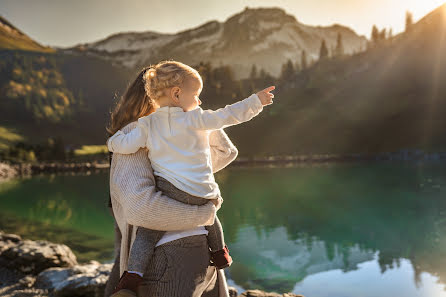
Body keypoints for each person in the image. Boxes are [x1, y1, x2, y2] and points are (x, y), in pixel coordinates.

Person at [107, 60, 275, 296]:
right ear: (173, 94)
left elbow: (141, 212)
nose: (198, 101)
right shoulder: (174, 127)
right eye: (195, 95)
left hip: (169, 258)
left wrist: (191, 122)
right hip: (202, 251)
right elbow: (226, 151)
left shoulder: (139, 132)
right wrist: (204, 213)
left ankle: (131, 276)